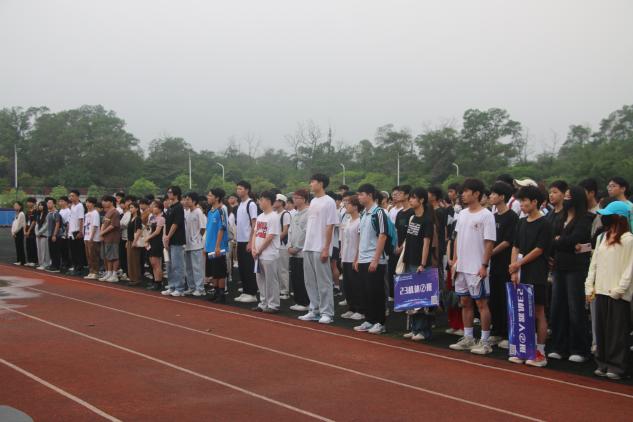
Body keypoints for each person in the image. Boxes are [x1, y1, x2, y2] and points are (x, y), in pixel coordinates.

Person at [585, 201, 633, 380]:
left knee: (617, 331)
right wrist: (589, 285)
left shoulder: (629, 239)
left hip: (617, 293)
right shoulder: (602, 237)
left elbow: (630, 267)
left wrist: (620, 289)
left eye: (608, 215)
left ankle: (617, 365)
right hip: (600, 290)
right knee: (602, 330)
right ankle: (602, 362)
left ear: (619, 217)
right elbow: (594, 263)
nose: (604, 218)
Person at [449, 178, 496, 354]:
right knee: (464, 302)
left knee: (481, 303)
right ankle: (468, 337)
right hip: (461, 266)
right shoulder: (462, 214)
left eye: (466, 191)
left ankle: (485, 341)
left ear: (476, 194)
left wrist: (484, 265)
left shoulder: (486, 215)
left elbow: (489, 242)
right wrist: (455, 261)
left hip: (476, 267)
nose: (462, 194)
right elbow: (457, 238)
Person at [508, 186, 553, 367]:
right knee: (522, 311)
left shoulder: (545, 224)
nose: (522, 204)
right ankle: (524, 348)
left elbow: (539, 249)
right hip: (520, 272)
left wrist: (518, 264)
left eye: (525, 201)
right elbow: (515, 246)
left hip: (537, 272)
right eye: (520, 201)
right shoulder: (521, 222)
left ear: (535, 202)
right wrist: (513, 269)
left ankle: (540, 351)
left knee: (538, 311)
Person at [549, 186, 593, 363]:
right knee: (557, 307)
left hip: (576, 268)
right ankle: (560, 346)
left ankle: (579, 348)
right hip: (559, 267)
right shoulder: (560, 217)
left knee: (575, 309)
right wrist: (562, 242)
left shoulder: (586, 218)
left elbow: (576, 239)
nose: (566, 199)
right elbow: (552, 239)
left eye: (569, 196)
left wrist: (561, 240)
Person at [299, 174, 339, 324]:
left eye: (313, 181)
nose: (311, 184)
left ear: (321, 184)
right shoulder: (313, 201)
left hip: (320, 246)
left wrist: (326, 248)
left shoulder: (329, 201)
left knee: (324, 281)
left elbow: (330, 226)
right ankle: (314, 310)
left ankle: (327, 312)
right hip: (308, 246)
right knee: (309, 281)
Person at [400, 187, 437, 341]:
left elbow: (426, 244)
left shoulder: (427, 220)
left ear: (421, 200)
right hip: (409, 260)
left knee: (421, 297)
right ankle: (414, 328)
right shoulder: (412, 218)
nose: (410, 200)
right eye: (410, 197)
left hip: (419, 263)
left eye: (413, 198)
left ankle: (423, 330)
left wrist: (423, 263)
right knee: (411, 296)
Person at [353, 184, 389, 335]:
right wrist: (357, 258)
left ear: (369, 195)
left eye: (361, 194)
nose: (359, 197)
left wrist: (375, 259)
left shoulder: (379, 212)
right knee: (366, 292)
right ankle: (369, 319)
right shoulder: (363, 214)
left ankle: (380, 322)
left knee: (376, 292)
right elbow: (361, 237)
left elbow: (383, 235)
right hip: (363, 258)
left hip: (375, 259)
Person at [488, 182, 519, 348]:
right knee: (495, 299)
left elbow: (508, 241)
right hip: (494, 265)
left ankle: (508, 333)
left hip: (506, 264)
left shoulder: (512, 217)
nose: (491, 196)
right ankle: (496, 331)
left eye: (494, 194)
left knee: (506, 299)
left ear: (502, 197)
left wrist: (490, 252)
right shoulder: (492, 216)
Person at [251, 191, 281, 313]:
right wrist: (253, 248)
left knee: (271, 280)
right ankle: (263, 303)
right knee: (260, 279)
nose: (259, 202)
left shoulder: (274, 216)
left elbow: (270, 236)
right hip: (259, 254)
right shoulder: (260, 216)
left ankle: (273, 304)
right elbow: (255, 233)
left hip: (269, 254)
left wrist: (259, 250)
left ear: (268, 201)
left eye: (261, 200)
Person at [234, 181, 259, 303]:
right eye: (237, 189)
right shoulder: (240, 204)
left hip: (247, 240)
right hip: (240, 240)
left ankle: (252, 293)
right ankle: (245, 291)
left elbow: (254, 224)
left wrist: (250, 241)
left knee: (249, 267)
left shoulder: (251, 204)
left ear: (247, 190)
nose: (238, 191)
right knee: (242, 267)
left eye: (241, 188)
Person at [340, 195, 363, 321]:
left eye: (348, 204)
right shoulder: (348, 220)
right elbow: (344, 240)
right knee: (347, 285)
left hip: (354, 257)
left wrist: (357, 258)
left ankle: (360, 310)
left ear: (355, 206)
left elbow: (360, 241)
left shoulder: (360, 221)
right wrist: (342, 256)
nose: (345, 206)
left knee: (356, 285)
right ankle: (351, 308)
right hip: (346, 257)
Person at [287, 189, 311, 312]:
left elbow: (306, 233)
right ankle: (298, 300)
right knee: (295, 277)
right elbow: (290, 231)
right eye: (294, 197)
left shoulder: (308, 213)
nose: (294, 200)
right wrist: (289, 246)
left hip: (302, 252)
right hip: (293, 250)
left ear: (304, 199)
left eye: (297, 198)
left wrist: (296, 248)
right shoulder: (295, 214)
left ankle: (305, 302)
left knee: (303, 278)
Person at [205, 188, 229, 301]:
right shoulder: (210, 212)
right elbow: (209, 230)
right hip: (210, 246)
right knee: (214, 271)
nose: (208, 197)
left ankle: (221, 294)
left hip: (218, 247)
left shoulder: (221, 211)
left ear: (217, 198)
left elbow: (222, 228)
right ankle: (216, 292)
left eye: (210, 195)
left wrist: (218, 246)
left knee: (220, 271)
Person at [162, 186, 187, 297]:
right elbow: (166, 224)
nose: (168, 194)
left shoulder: (179, 207)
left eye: (170, 192)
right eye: (168, 192)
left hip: (177, 240)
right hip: (169, 239)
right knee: (169, 265)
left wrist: (168, 236)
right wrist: (165, 237)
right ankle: (172, 286)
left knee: (177, 265)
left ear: (176, 194)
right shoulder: (170, 207)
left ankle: (179, 288)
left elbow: (176, 224)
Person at [182, 192, 206, 296]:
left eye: (188, 199)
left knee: (197, 267)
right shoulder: (187, 212)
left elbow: (203, 228)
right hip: (187, 244)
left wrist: (197, 238)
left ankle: (200, 288)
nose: (186, 201)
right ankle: (191, 287)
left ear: (194, 201)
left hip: (196, 245)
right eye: (185, 199)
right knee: (188, 268)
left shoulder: (198, 212)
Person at [273, 194, 292, 300]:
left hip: (282, 245)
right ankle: (279, 289)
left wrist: (274, 241)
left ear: (281, 202)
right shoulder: (274, 214)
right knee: (276, 268)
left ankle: (285, 291)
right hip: (276, 245)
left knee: (283, 269)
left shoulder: (285, 214)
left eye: (275, 201)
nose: (273, 202)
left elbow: (285, 231)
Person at [99, 195, 121, 283]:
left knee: (114, 256)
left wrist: (102, 233)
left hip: (113, 238)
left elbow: (113, 225)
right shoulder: (107, 212)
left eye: (106, 201)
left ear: (111, 202)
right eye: (103, 201)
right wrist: (101, 233)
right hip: (106, 238)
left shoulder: (115, 212)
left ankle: (114, 274)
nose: (103, 202)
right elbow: (103, 224)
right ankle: (109, 272)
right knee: (107, 256)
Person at [145, 200, 165, 291]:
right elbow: (149, 229)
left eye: (155, 207)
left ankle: (159, 282)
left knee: (156, 263)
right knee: (152, 263)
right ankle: (155, 280)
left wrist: (148, 238)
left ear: (160, 209)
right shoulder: (152, 218)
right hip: (151, 241)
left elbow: (157, 232)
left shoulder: (161, 218)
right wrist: (147, 239)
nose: (153, 208)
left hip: (157, 242)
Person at [82, 197, 101, 279]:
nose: (87, 204)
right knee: (88, 256)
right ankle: (91, 271)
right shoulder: (86, 214)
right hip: (86, 237)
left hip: (93, 238)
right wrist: (85, 237)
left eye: (89, 202)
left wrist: (91, 237)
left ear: (93, 204)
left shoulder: (95, 213)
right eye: (86, 202)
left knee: (94, 255)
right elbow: (85, 226)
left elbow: (95, 226)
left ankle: (96, 272)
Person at [68, 190, 86, 275]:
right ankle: (75, 267)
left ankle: (80, 268)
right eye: (70, 196)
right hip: (71, 231)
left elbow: (81, 219)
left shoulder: (80, 206)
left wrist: (80, 231)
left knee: (78, 251)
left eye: (72, 196)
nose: (71, 197)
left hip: (77, 231)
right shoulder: (72, 206)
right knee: (73, 251)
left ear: (77, 197)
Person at [125, 202, 143, 285]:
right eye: (130, 208)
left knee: (135, 260)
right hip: (130, 241)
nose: (130, 209)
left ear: (137, 208)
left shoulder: (138, 219)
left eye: (132, 207)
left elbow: (139, 231)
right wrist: (127, 241)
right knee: (130, 260)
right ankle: (132, 278)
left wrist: (135, 241)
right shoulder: (131, 218)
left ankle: (136, 278)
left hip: (134, 241)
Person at [45, 198, 62, 273]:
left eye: (50, 203)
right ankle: (53, 265)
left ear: (54, 204)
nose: (48, 204)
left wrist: (54, 235)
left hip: (55, 235)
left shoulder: (56, 213)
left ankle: (57, 267)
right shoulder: (49, 213)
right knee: (51, 251)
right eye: (47, 203)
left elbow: (57, 224)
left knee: (56, 251)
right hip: (49, 235)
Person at [57, 196, 71, 271]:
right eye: (60, 201)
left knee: (65, 249)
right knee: (61, 249)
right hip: (60, 232)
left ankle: (67, 264)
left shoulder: (68, 211)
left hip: (65, 232)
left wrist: (66, 233)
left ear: (66, 202)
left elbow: (68, 223)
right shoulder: (60, 211)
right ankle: (63, 263)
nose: (60, 203)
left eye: (62, 201)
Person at [35, 201, 50, 270]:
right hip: (38, 235)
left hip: (44, 234)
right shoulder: (38, 214)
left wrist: (40, 232)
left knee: (44, 250)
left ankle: (45, 263)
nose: (40, 206)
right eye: (39, 205)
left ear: (44, 206)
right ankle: (41, 263)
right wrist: (36, 232)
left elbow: (46, 225)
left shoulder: (47, 214)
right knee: (39, 249)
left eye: (41, 205)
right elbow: (37, 224)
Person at [11, 201, 26, 266]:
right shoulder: (16, 214)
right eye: (14, 205)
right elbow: (14, 224)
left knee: (20, 246)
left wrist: (14, 232)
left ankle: (22, 261)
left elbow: (20, 225)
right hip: (15, 232)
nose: (15, 206)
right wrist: (12, 232)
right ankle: (19, 260)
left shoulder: (21, 214)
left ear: (20, 206)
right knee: (17, 246)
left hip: (19, 232)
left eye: (16, 205)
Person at [24, 197, 38, 267]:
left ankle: (34, 261)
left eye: (30, 202)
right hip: (27, 230)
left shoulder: (35, 211)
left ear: (34, 203)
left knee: (33, 246)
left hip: (32, 231)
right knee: (28, 246)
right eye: (28, 202)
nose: (28, 203)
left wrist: (29, 231)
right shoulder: (27, 211)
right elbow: (25, 221)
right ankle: (29, 260)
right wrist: (25, 231)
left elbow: (34, 221)